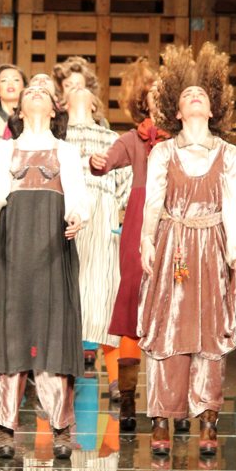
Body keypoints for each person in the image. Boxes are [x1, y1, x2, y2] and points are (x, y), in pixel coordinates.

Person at [139, 42, 236, 457]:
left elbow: (233, 209)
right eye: (187, 94)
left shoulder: (229, 154)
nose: (195, 95)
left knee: (211, 333)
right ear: (177, 111)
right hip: (174, 245)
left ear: (213, 108)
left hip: (213, 246)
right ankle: (161, 420)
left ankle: (208, 421)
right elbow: (153, 201)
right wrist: (147, 240)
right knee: (168, 329)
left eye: (202, 93)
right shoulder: (163, 151)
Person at [0, 82, 89, 460]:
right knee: (12, 328)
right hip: (15, 245)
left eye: (44, 91)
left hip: (53, 245)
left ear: (54, 110)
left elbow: (78, 195)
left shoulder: (66, 151)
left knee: (53, 330)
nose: (36, 92)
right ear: (19, 110)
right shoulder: (5, 148)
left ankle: (61, 426)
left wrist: (77, 215)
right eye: (30, 91)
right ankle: (6, 427)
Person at [90, 58, 171, 431]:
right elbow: (107, 162)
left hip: (174, 218)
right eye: (152, 93)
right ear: (144, 100)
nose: (157, 98)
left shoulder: (181, 141)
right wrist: (98, 161)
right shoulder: (134, 139)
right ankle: (126, 399)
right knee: (133, 302)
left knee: (173, 302)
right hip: (139, 222)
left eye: (164, 93)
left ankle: (172, 400)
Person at [59, 59, 132, 396]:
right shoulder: (56, 137)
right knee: (66, 298)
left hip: (102, 223)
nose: (76, 90)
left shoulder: (111, 138)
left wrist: (122, 219)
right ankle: (62, 376)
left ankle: (116, 379)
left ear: (94, 102)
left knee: (104, 299)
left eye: (82, 86)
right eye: (69, 87)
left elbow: (126, 182)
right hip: (65, 222)